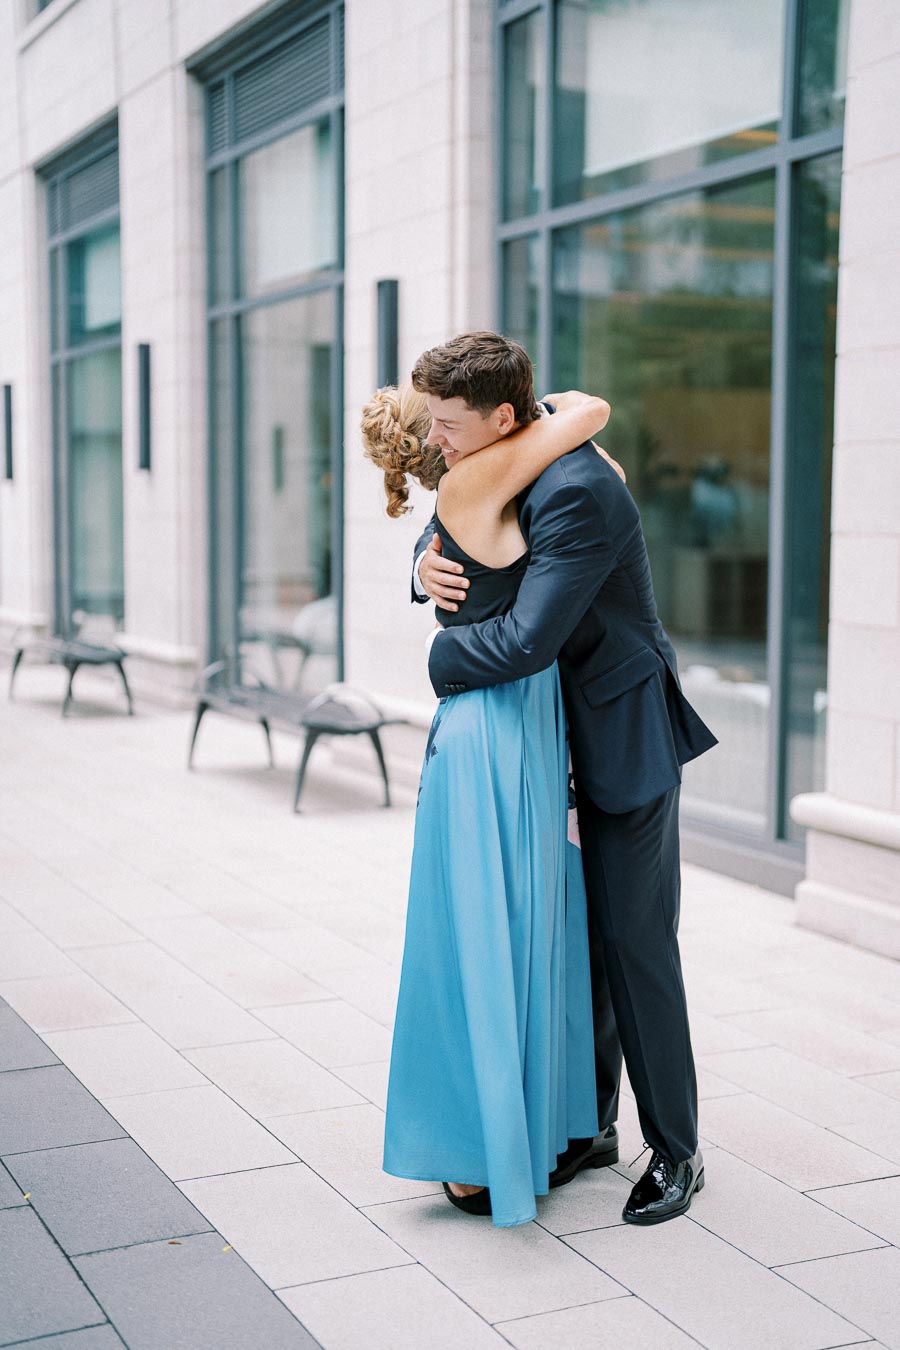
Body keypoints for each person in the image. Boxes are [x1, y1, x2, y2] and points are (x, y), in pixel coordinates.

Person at [413, 332, 718, 1226]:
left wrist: (437, 651)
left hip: (617, 744)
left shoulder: (578, 489)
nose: (437, 441)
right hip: (544, 750)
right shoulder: (506, 455)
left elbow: (525, 639)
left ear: (504, 417)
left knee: (635, 947)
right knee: (571, 945)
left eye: (450, 426)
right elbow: (467, 547)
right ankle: (590, 1127)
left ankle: (678, 1149)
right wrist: (421, 565)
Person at [362, 379, 618, 1227]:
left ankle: (521, 1133)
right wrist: (558, 409)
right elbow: (589, 418)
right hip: (499, 724)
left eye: (448, 418)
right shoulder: (484, 473)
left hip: (526, 726)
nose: (442, 431)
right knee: (487, 929)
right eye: (432, 422)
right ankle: (485, 1144)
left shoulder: (481, 478)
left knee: (521, 926)